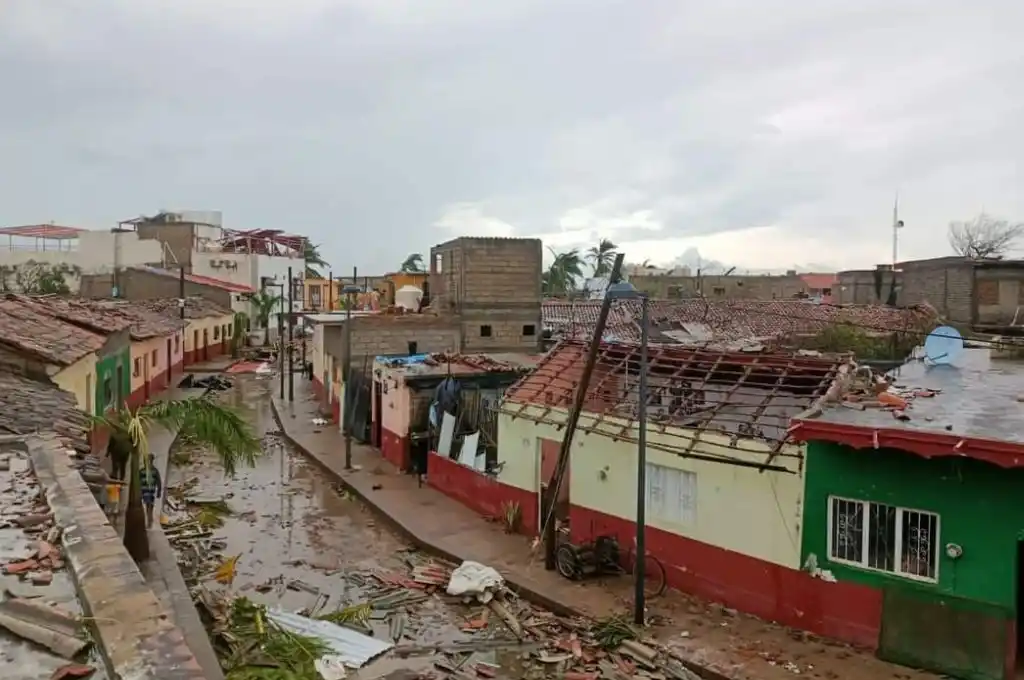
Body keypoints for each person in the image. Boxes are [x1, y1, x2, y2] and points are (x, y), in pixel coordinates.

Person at [139, 455, 162, 528]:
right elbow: (138, 482)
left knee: (149, 505)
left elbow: (158, 482)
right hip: (145, 491)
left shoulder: (154, 471)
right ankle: (149, 519)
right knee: (148, 505)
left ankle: (150, 519)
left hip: (151, 491)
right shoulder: (142, 471)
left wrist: (159, 491)